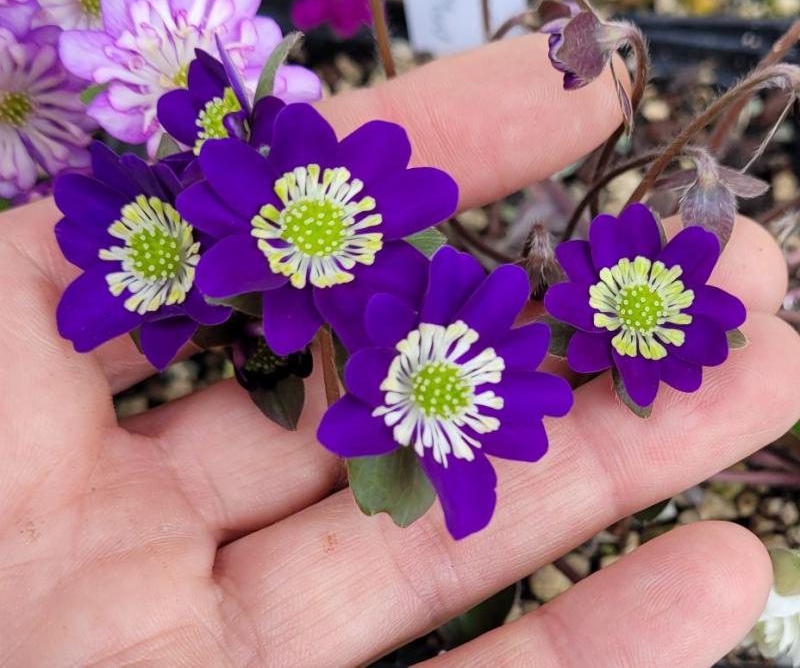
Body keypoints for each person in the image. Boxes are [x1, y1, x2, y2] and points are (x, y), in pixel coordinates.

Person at [0, 35, 795, 666]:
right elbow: (294, 316)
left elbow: (418, 311)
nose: (317, 230)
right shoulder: (264, 279)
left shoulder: (373, 293)